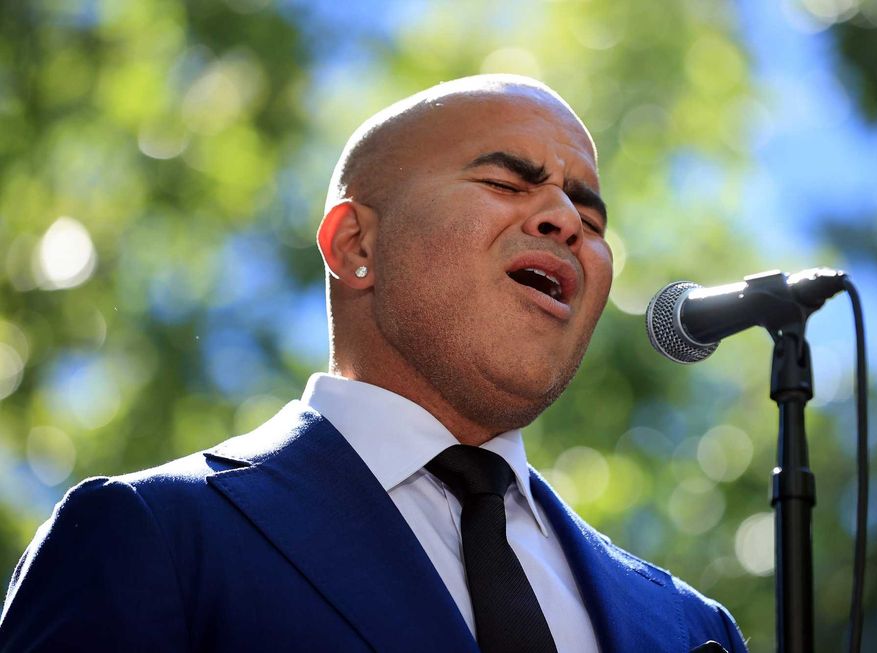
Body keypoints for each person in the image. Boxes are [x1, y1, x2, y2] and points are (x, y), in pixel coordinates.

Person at [0, 75, 747, 653]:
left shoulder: (683, 624)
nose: (562, 220)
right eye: (505, 183)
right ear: (355, 244)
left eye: (590, 219)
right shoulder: (155, 539)